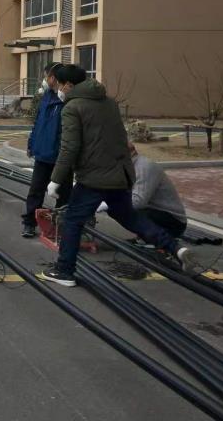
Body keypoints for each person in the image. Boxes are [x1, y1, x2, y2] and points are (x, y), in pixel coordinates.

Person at [40, 65, 198, 287]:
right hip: (120, 174)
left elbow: (69, 147)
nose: (58, 89)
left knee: (73, 220)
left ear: (69, 85)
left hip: (94, 177)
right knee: (131, 217)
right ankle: (175, 248)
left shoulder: (72, 108)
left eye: (60, 85)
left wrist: (56, 179)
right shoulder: (109, 103)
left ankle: (64, 271)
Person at [98, 142, 188, 244]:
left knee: (119, 210)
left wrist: (108, 203)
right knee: (116, 207)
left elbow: (138, 201)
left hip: (173, 221)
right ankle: (146, 236)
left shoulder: (144, 167)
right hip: (155, 211)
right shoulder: (128, 167)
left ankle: (160, 239)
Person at [22, 62, 72, 238]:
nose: (44, 80)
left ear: (53, 78)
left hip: (61, 157)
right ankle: (29, 223)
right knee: (36, 191)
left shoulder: (67, 101)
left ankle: (59, 225)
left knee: (64, 194)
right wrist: (31, 144)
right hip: (42, 154)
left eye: (46, 76)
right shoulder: (46, 98)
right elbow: (38, 123)